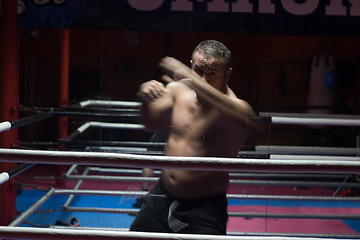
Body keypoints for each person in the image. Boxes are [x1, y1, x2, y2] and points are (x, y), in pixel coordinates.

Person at [130, 40, 257, 235]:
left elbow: (240, 112)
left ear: (227, 74)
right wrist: (144, 98)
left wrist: (187, 74)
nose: (203, 80)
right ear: (191, 65)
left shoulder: (235, 110)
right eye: (198, 71)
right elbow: (151, 123)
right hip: (162, 194)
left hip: (204, 207)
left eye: (212, 73)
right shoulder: (179, 91)